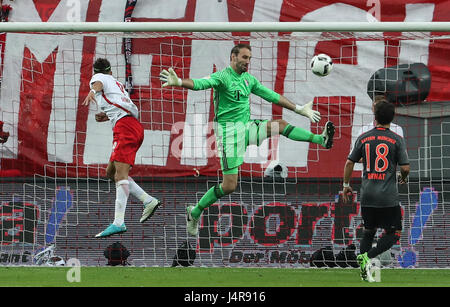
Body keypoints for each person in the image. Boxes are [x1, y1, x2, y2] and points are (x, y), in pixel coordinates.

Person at [160, 43, 335, 236]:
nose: (247, 62)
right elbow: (200, 83)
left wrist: (299, 108)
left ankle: (321, 139)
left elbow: (272, 96)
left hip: (247, 127)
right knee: (229, 186)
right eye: (244, 57)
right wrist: (179, 82)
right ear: (233, 57)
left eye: (249, 58)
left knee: (281, 125)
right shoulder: (222, 77)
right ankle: (194, 212)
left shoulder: (248, 80)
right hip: (228, 135)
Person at [83, 58, 161, 238]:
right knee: (110, 172)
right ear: (111, 71)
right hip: (129, 125)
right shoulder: (116, 83)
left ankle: (118, 222)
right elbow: (119, 105)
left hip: (126, 128)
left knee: (120, 175)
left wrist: (92, 91)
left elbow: (99, 83)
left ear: (96, 72)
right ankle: (148, 200)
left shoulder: (99, 78)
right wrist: (107, 114)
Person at [343, 99, 410, 282]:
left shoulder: (364, 137)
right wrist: (402, 179)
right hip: (387, 196)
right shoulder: (397, 139)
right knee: (394, 233)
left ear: (375, 116)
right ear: (393, 117)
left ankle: (365, 272)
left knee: (368, 231)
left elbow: (349, 162)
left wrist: (346, 185)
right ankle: (369, 256)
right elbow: (405, 168)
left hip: (368, 195)